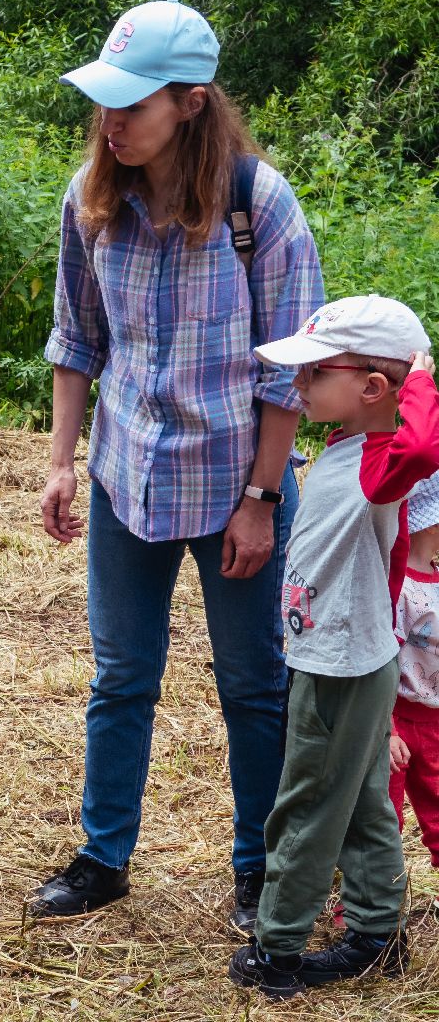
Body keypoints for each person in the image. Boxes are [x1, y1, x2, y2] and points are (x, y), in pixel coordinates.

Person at [34, 0, 324, 931]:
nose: (112, 123)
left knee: (254, 682)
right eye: (104, 105)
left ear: (191, 104)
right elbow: (76, 342)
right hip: (127, 476)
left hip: (234, 485)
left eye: (134, 106)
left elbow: (292, 372)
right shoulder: (93, 202)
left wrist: (261, 499)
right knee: (121, 677)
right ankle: (102, 857)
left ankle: (261, 869)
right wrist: (63, 464)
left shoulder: (258, 206)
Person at [229, 295, 439, 998]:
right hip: (343, 656)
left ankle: (278, 951)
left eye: (315, 373)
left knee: (309, 804)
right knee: (359, 804)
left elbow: (419, 444)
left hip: (340, 666)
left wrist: (420, 379)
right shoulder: (349, 446)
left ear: (373, 388)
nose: (298, 387)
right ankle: (378, 934)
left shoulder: (384, 462)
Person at [388, 475, 439, 869]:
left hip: (435, 723)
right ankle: (368, 907)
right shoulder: (397, 587)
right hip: (398, 720)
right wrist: (385, 727)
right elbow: (383, 659)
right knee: (382, 816)